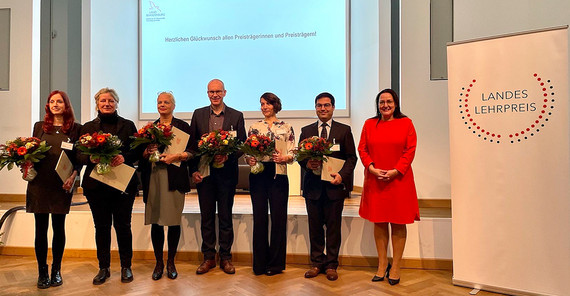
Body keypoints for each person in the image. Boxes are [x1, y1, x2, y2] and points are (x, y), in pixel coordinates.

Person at [78, 88, 141, 285]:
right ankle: (103, 268)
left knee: (123, 226)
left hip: (122, 185)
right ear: (97, 103)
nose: (107, 103)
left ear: (116, 103)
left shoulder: (128, 125)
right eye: (103, 100)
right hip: (96, 186)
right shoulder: (88, 127)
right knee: (102, 227)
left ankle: (126, 266)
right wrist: (91, 158)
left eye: (111, 100)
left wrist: (125, 156)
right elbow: (78, 154)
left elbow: (138, 150)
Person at [358, 88, 419, 285]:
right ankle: (382, 265)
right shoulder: (369, 124)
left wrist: (396, 170)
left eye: (389, 102)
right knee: (380, 222)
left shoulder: (406, 123)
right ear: (377, 104)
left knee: (399, 223)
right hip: (375, 179)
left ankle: (397, 266)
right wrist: (372, 168)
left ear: (396, 104)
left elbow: (410, 149)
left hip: (399, 180)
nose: (385, 105)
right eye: (382, 102)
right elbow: (362, 148)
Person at [297, 92, 357, 281]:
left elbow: (351, 158)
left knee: (333, 228)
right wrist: (307, 164)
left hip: (334, 188)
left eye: (327, 105)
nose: (323, 108)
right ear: (315, 108)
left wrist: (342, 176)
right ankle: (316, 263)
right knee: (314, 228)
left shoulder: (344, 130)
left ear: (333, 107)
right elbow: (300, 157)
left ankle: (331, 265)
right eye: (319, 105)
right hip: (313, 188)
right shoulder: (306, 131)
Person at [189, 79, 246, 274]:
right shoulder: (198, 114)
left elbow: (241, 145)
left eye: (218, 91)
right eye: (211, 92)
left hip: (227, 175)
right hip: (205, 174)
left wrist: (227, 154)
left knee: (225, 217)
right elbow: (192, 145)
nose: (215, 95)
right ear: (207, 94)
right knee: (206, 217)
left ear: (224, 93)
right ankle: (208, 258)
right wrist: (193, 170)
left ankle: (226, 258)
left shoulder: (236, 116)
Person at [25, 90, 82, 289]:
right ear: (48, 105)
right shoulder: (39, 127)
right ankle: (42, 272)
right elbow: (30, 153)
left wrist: (73, 178)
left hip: (61, 184)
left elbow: (78, 160)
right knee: (40, 229)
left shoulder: (76, 128)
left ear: (66, 105)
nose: (55, 104)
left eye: (59, 101)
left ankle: (56, 271)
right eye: (52, 101)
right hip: (39, 184)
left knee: (59, 228)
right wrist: (26, 166)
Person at [139, 92, 192, 280]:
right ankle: (158, 263)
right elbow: (140, 157)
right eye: (159, 102)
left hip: (174, 178)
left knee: (173, 221)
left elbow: (192, 151)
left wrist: (177, 156)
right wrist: (146, 151)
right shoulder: (149, 128)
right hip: (153, 178)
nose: (162, 105)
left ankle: (171, 262)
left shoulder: (183, 127)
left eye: (166, 102)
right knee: (156, 222)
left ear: (173, 105)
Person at [245, 92, 295, 276]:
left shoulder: (287, 127)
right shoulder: (254, 127)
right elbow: (248, 151)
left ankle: (275, 264)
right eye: (262, 104)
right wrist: (249, 159)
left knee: (278, 219)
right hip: (258, 174)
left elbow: (293, 152)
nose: (264, 107)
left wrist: (285, 157)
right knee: (259, 219)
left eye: (267, 103)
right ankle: (259, 264)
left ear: (275, 105)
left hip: (278, 175)